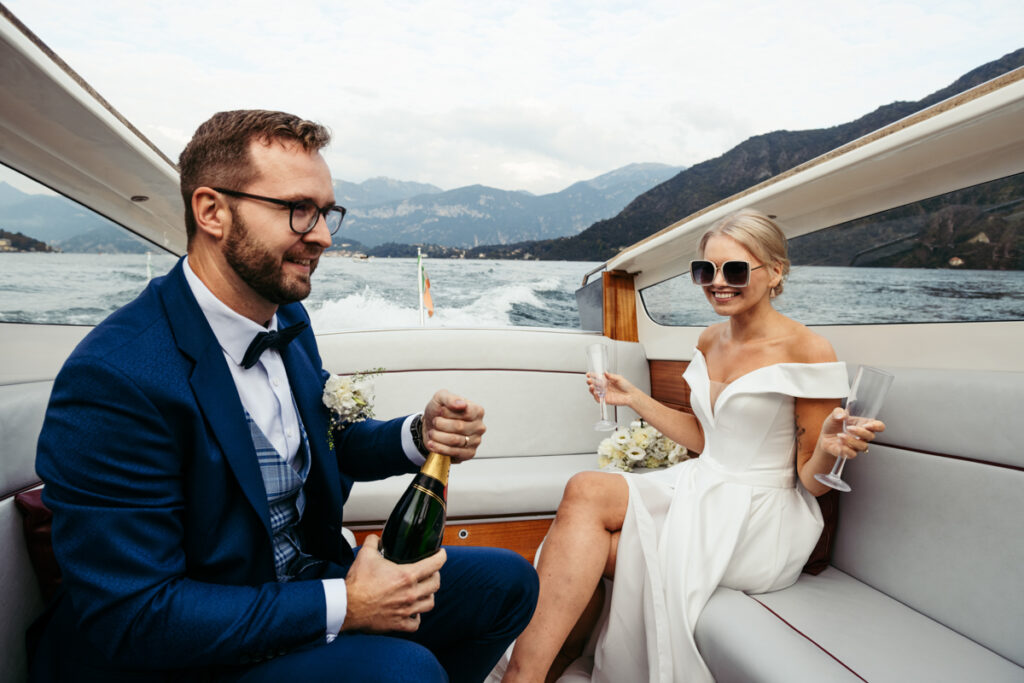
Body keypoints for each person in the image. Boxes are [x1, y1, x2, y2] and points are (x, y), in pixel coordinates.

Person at [29, 109, 538, 683]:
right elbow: (134, 616)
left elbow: (324, 443)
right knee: (403, 669)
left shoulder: (286, 315)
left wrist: (417, 434)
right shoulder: (115, 377)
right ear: (212, 211)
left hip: (301, 582)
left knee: (506, 584)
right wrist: (348, 605)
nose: (321, 235)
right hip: (190, 654)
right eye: (298, 210)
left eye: (326, 213)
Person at [501, 209, 886, 683]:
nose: (718, 283)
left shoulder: (809, 350)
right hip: (700, 484)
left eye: (736, 270)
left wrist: (829, 447)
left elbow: (813, 481)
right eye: (705, 270)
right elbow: (708, 440)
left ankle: (533, 673)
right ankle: (531, 673)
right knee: (584, 490)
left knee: (584, 546)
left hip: (761, 516)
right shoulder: (708, 339)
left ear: (775, 272)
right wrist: (633, 398)